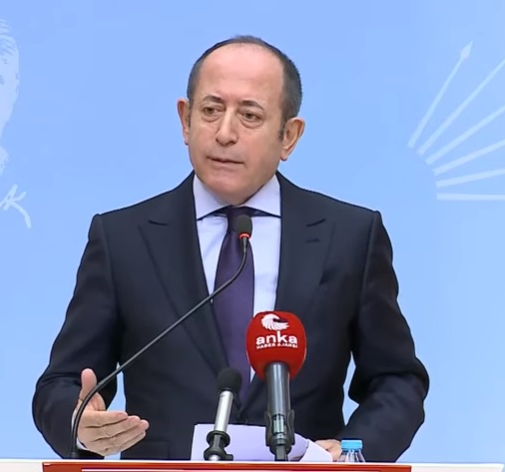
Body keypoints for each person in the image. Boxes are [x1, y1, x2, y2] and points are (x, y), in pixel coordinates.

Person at [31, 35, 429, 462]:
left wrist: (352, 452)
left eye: (250, 115)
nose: (225, 133)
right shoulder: (123, 238)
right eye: (210, 110)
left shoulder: (349, 236)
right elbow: (62, 384)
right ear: (185, 121)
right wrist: (80, 424)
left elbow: (396, 380)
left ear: (289, 136)